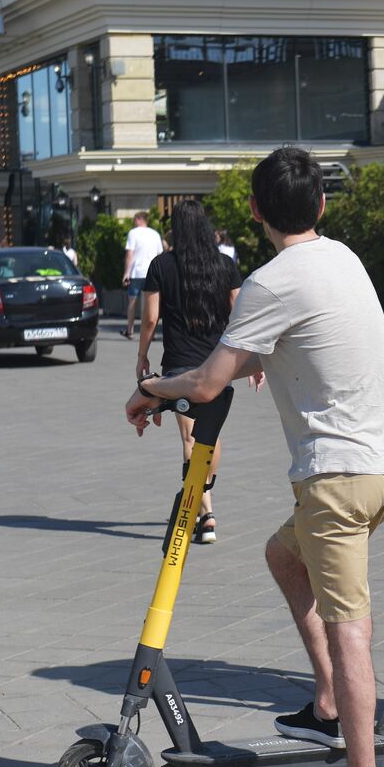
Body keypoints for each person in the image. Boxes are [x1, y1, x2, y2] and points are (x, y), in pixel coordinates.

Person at [125, 147, 384, 767]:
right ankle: (328, 706)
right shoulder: (342, 258)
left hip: (339, 480)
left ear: (254, 211)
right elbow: (267, 344)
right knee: (285, 556)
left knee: (350, 626)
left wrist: (147, 390)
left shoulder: (269, 281)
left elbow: (203, 383)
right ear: (322, 206)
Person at [135, 199, 240, 545]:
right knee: (210, 434)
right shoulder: (225, 265)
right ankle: (203, 500)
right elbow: (240, 316)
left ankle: (204, 513)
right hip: (218, 363)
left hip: (180, 363)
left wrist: (142, 356)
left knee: (191, 438)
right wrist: (252, 360)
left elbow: (150, 319)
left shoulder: (161, 265)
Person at [121, 211, 163, 339]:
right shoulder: (155, 234)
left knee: (132, 302)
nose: (134, 222)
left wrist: (126, 273)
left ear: (140, 219)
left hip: (136, 272)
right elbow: (159, 255)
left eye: (135, 219)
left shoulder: (133, 233)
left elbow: (129, 254)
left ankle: (130, 331)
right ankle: (152, 333)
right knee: (151, 304)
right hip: (152, 272)